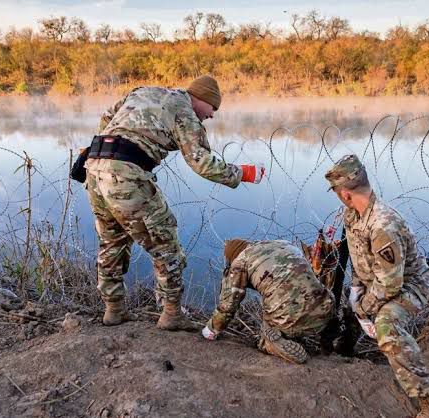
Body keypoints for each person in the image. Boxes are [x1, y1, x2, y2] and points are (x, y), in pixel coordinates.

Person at [85, 75, 265, 330]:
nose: (212, 116)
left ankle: (114, 310)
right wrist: (243, 173)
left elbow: (107, 117)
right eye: (213, 108)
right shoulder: (184, 111)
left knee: (111, 242)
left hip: (94, 170)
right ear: (201, 99)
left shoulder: (144, 91)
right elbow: (201, 162)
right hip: (126, 175)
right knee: (165, 244)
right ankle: (171, 314)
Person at [325, 154, 429, 418]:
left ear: (346, 194)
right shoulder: (353, 215)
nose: (336, 197)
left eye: (336, 192)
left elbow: (391, 286)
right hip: (380, 280)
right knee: (353, 304)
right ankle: (346, 348)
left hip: (410, 284)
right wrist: (356, 291)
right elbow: (360, 261)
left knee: (386, 325)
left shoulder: (383, 225)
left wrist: (364, 307)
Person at [201, 239, 335, 364]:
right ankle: (326, 337)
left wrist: (212, 329)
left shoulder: (240, 262)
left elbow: (229, 304)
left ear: (232, 257)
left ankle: (273, 343)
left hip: (294, 316)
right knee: (294, 296)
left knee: (266, 335)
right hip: (326, 308)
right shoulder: (282, 244)